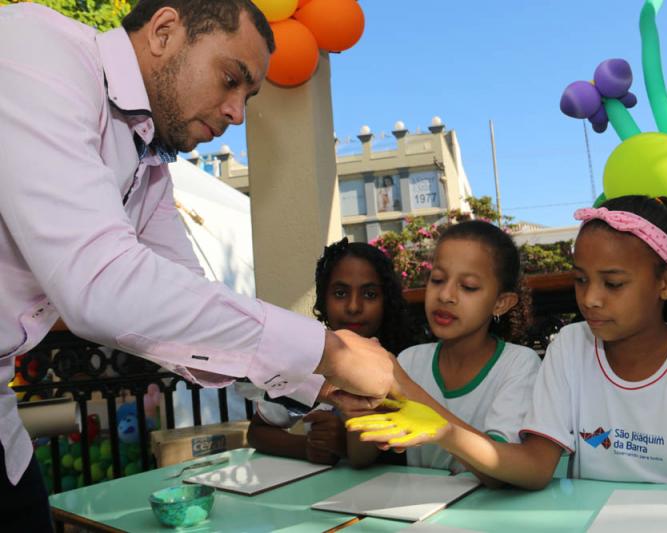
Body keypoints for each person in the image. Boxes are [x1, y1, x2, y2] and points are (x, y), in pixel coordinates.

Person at [0, 1, 394, 528]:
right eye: (232, 79)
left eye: (248, 98)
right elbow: (102, 285)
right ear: (164, 31)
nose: (237, 112)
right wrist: (330, 349)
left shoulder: (148, 166)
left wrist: (319, 383)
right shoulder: (35, 50)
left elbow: (186, 304)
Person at [350, 196, 667, 530]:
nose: (590, 299)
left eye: (613, 283)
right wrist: (446, 431)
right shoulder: (570, 346)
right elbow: (533, 465)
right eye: (581, 280)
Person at [347, 220, 540, 484]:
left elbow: (497, 473)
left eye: (468, 286)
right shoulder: (411, 359)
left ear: (500, 303)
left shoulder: (518, 364)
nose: (446, 295)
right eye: (437, 280)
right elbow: (360, 458)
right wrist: (355, 397)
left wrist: (408, 388)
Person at [246, 238, 413, 465]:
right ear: (323, 299)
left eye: (370, 294)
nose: (354, 307)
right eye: (341, 293)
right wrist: (308, 446)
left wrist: (345, 443)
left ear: (387, 301)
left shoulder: (408, 362)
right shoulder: (309, 362)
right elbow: (257, 433)